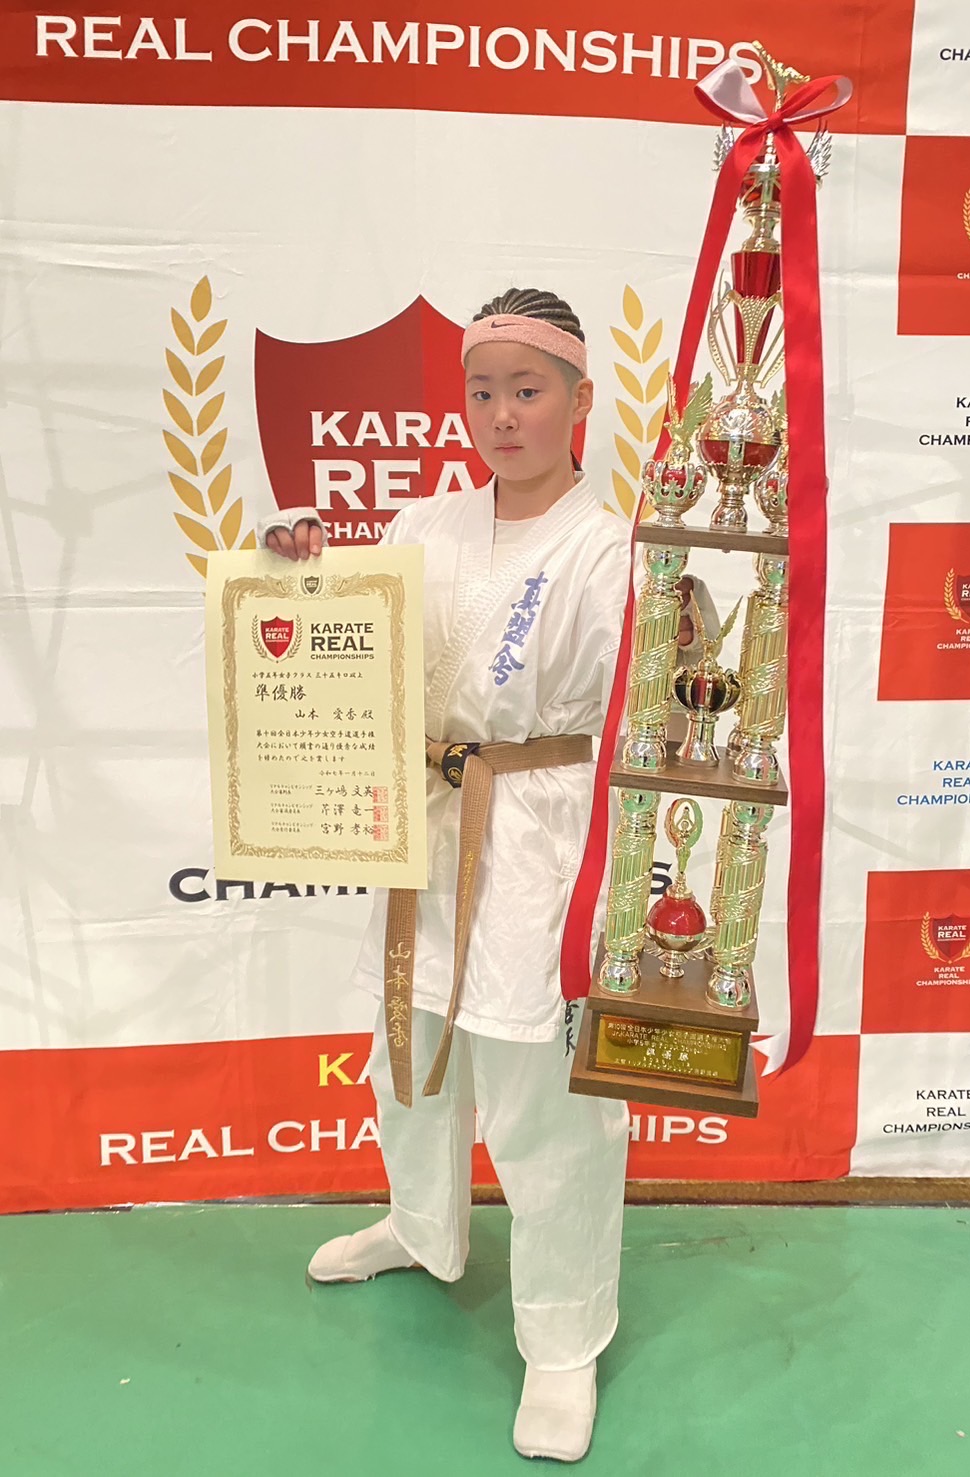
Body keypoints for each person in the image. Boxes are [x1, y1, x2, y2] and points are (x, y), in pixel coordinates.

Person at [261, 287, 702, 1462]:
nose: (502, 415)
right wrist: (303, 567)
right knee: (406, 1053)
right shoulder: (427, 521)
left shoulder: (610, 546)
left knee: (543, 1099)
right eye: (483, 392)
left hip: (543, 831)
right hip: (425, 817)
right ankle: (421, 1226)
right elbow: (357, 634)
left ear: (580, 401)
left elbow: (647, 713)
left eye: (528, 390)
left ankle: (562, 1338)